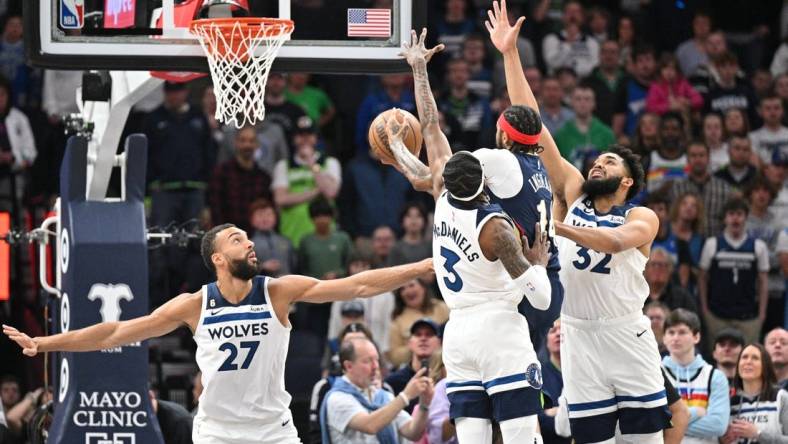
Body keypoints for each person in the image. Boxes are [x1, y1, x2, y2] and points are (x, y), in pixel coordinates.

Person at [3, 224, 433, 444]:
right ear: (217, 259)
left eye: (247, 238)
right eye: (236, 239)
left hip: (273, 429)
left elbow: (358, 285)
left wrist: (419, 266)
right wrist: (45, 342)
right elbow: (116, 330)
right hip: (217, 432)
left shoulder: (277, 292)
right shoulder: (196, 304)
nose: (248, 244)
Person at [485, 2, 671, 441]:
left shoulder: (641, 215)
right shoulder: (572, 192)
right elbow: (533, 127)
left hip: (627, 334)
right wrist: (510, 54)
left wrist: (558, 228)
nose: (596, 166)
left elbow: (614, 242)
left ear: (626, 181)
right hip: (577, 338)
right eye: (596, 160)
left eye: (607, 163)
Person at [386, 27, 553, 443]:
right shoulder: (508, 211)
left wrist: (418, 72)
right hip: (505, 313)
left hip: (458, 328)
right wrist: (539, 265)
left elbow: (429, 133)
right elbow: (542, 298)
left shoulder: (443, 197)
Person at [319, 337, 433, 443]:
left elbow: (413, 432)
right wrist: (406, 395)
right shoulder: (337, 398)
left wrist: (424, 403)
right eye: (367, 361)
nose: (375, 367)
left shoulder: (383, 397)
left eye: (376, 360)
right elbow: (369, 425)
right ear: (349, 366)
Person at [698, 198, 770, 345]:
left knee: (748, 360)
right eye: (731, 214)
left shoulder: (758, 246)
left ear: (746, 217)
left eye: (739, 214)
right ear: (725, 218)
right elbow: (702, 278)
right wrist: (705, 309)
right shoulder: (712, 244)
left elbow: (763, 281)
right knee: (719, 359)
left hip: (749, 317)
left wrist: (762, 313)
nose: (735, 218)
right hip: (717, 316)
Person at [661, 309, 730, 443]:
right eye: (671, 332)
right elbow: (652, 422)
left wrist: (672, 423)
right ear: (664, 338)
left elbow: (718, 426)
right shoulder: (655, 374)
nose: (675, 337)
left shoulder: (715, 376)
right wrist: (697, 412)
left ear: (696, 337)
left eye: (682, 332)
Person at [723, 343, 788, 443]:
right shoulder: (727, 401)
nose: (748, 362)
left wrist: (758, 434)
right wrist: (722, 440)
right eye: (744, 357)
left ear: (765, 366)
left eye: (755, 358)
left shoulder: (781, 397)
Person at [387, 279, 449, 367]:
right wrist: (414, 347)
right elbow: (394, 356)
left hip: (446, 364)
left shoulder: (443, 308)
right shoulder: (398, 321)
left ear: (423, 287)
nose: (408, 291)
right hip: (414, 369)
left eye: (411, 285)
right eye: (402, 289)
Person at [385, 318, 442, 410]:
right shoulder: (393, 382)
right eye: (418, 334)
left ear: (440, 342)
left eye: (429, 334)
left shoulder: (445, 379)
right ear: (409, 343)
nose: (423, 338)